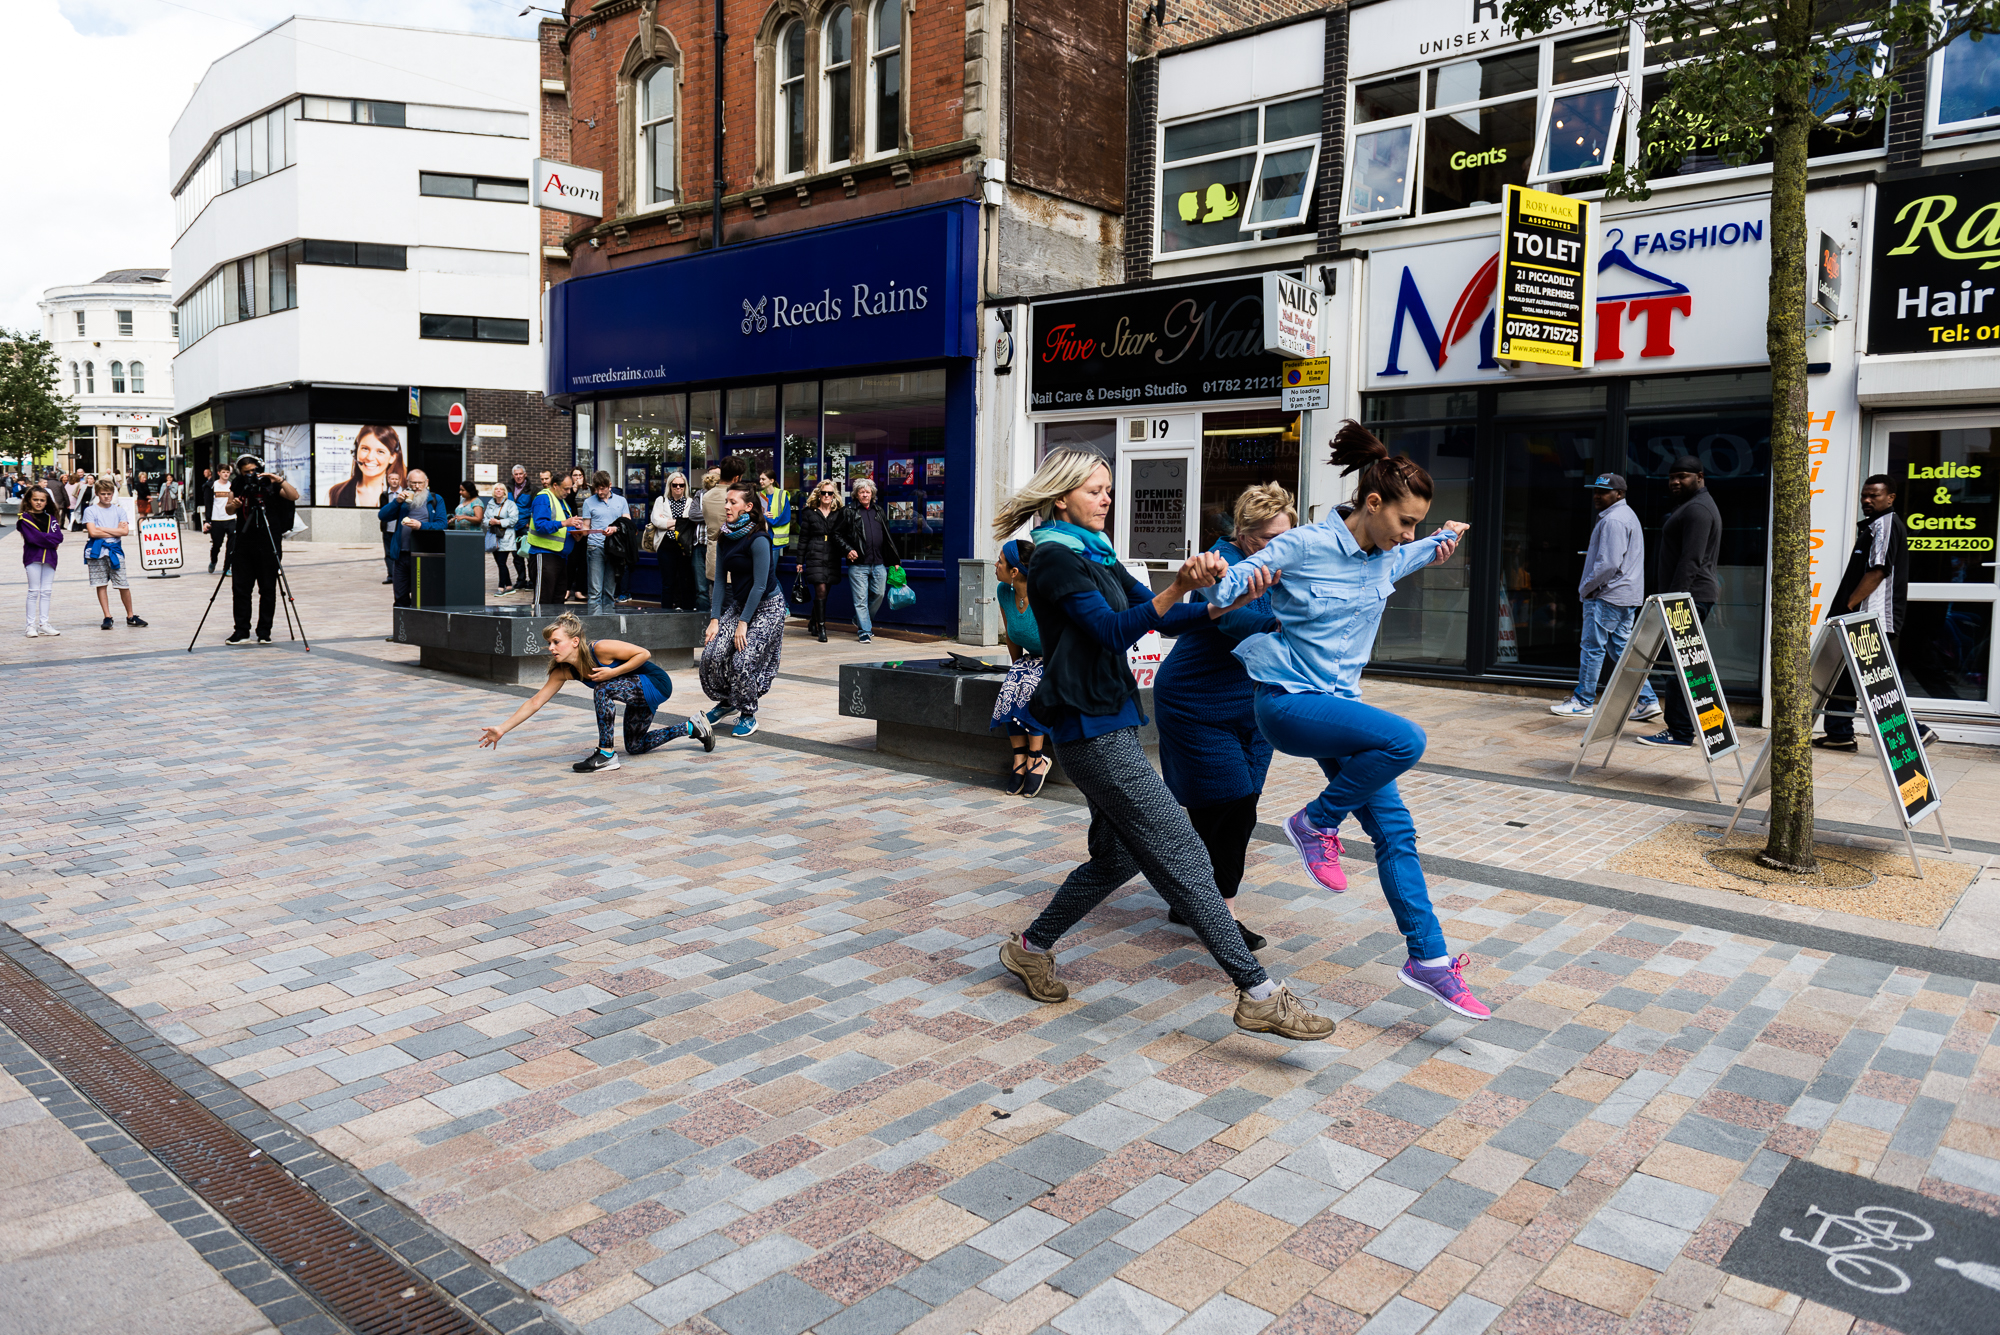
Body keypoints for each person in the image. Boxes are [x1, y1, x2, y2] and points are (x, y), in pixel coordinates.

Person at [991, 448, 1330, 1041]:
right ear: (1061, 496)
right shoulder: (1052, 559)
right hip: (1088, 728)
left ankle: (1030, 947)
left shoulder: (1095, 552)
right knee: (1183, 849)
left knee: (1120, 856)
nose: (1106, 498)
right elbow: (1111, 629)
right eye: (1095, 490)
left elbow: (1164, 623)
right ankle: (1258, 993)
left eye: (1109, 490)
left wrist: (1226, 599)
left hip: (1110, 717)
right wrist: (1176, 586)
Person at [1201, 423, 1488, 1020]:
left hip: (1339, 708)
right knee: (1406, 738)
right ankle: (1314, 823)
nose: (1405, 533)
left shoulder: (1387, 553)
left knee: (1396, 833)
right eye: (1404, 521)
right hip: (1286, 704)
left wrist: (1440, 539)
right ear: (1373, 503)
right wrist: (1232, 584)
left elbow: (1413, 554)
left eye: (1416, 524)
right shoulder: (1302, 545)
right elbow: (1217, 596)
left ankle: (1429, 961)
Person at [1154, 482, 1293, 953]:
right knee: (1232, 804)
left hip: (1250, 707)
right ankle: (1221, 917)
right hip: (1196, 701)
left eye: (1284, 539)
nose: (1275, 550)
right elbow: (1232, 621)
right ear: (1242, 533)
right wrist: (1292, 624)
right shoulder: (1220, 564)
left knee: (1233, 805)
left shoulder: (1285, 562)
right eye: (1266, 541)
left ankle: (1190, 898)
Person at [477, 612, 715, 772]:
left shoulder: (600, 649)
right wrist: (502, 728)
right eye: (549, 643)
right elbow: (535, 702)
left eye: (555, 642)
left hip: (655, 683)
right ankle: (693, 726)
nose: (550, 648)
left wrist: (612, 673)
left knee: (602, 688)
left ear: (574, 641)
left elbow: (643, 654)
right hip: (634, 693)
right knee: (636, 745)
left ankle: (607, 753)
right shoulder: (563, 671)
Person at [1816, 474, 1938, 752]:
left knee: (1875, 681)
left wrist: (1848, 607)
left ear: (1890, 498)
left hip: (1869, 619)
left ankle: (1916, 731)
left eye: (1874, 495)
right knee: (1843, 675)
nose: (1867, 500)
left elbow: (1878, 571)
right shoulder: (1874, 526)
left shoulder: (1885, 525)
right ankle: (1839, 733)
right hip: (1861, 617)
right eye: (1864, 495)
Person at [1550, 472, 1661, 723]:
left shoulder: (1613, 521)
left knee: (1592, 648)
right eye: (1596, 491)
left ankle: (1583, 701)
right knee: (1622, 650)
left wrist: (1586, 587)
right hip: (1626, 596)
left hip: (1607, 596)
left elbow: (1608, 563)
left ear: (1619, 494)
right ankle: (1647, 700)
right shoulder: (1627, 515)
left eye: (1604, 492)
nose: (1597, 496)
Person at [1635, 455, 1725, 749]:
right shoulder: (1692, 506)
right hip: (1690, 595)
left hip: (1689, 597)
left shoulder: (1698, 509)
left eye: (1683, 476)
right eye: (1672, 477)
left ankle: (1680, 731)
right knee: (1681, 663)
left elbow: (1691, 559)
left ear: (1700, 477)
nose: (1675, 481)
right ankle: (1682, 728)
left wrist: (1673, 600)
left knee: (1679, 665)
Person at [699, 481, 786, 738]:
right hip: (740, 605)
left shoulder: (759, 538)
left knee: (742, 658)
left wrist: (743, 622)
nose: (726, 506)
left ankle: (747, 713)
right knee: (712, 654)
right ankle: (728, 701)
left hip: (767, 606)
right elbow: (717, 582)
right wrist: (714, 619)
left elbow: (760, 585)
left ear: (748, 507)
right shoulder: (724, 536)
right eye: (726, 501)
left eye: (732, 502)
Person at [990, 538, 1050, 796]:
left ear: (1014, 572)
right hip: (1034, 656)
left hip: (1061, 657)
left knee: (1032, 684)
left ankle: (1037, 758)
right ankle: (1019, 759)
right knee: (1013, 682)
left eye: (1000, 561)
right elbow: (1012, 636)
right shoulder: (1005, 592)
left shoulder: (1045, 595)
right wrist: (1017, 668)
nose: (995, 564)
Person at [225, 455, 301, 645]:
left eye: (254, 470)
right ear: (240, 473)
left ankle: (264, 631)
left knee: (268, 589)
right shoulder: (238, 484)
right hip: (244, 541)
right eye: (246, 472)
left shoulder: (270, 483)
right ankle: (241, 631)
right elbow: (228, 509)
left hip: (269, 542)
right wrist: (232, 506)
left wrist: (279, 480)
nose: (251, 475)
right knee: (241, 589)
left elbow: (294, 496)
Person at [838, 478, 903, 644]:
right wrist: (848, 550)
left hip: (879, 563)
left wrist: (894, 560)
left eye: (867, 492)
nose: (865, 494)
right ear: (856, 494)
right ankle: (865, 631)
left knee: (879, 594)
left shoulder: (879, 511)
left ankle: (859, 619)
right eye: (861, 492)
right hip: (858, 564)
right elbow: (837, 534)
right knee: (860, 600)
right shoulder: (849, 511)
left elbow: (887, 537)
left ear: (872, 494)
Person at [378, 469, 450, 609]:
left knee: (422, 596)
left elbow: (442, 524)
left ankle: (420, 626)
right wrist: (397, 502)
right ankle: (403, 628)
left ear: (426, 482)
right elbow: (383, 516)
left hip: (425, 555)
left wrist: (421, 526)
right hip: (402, 555)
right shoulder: (403, 499)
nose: (416, 486)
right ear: (408, 483)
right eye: (413, 483)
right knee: (400, 597)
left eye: (420, 483)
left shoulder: (435, 499)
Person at [82, 479, 147, 631]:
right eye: (103, 494)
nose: (106, 497)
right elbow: (93, 532)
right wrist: (113, 530)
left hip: (115, 550)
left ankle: (130, 615)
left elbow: (124, 531)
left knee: (123, 583)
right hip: (96, 551)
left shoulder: (119, 510)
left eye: (109, 494)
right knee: (101, 583)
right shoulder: (90, 510)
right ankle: (107, 616)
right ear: (97, 494)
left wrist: (101, 529)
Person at [525, 469, 586, 605]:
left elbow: (562, 526)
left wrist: (575, 533)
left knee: (558, 600)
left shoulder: (561, 501)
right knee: (544, 600)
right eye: (566, 489)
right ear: (555, 485)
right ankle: (541, 625)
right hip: (545, 555)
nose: (569, 492)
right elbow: (540, 525)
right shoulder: (543, 498)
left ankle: (555, 626)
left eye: (570, 489)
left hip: (560, 556)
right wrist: (565, 523)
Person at [797, 481, 844, 641]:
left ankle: (812, 621)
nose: (826, 496)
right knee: (821, 589)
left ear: (834, 495)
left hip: (832, 553)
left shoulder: (839, 512)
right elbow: (803, 538)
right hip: (814, 552)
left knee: (825, 591)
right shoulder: (810, 512)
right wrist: (799, 561)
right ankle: (821, 627)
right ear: (819, 494)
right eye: (823, 493)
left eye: (829, 493)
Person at [649, 473, 700, 610]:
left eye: (681, 485)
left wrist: (668, 522)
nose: (678, 487)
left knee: (685, 581)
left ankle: (687, 611)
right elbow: (656, 521)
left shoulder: (690, 502)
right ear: (669, 486)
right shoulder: (662, 500)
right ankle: (665, 612)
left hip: (684, 547)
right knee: (668, 583)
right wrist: (680, 523)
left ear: (685, 486)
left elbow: (690, 523)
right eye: (675, 485)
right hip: (666, 546)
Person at [18, 484, 64, 637]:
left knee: (46, 591)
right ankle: (30, 625)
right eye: (35, 499)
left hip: (50, 558)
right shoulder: (24, 518)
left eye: (42, 500)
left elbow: (59, 537)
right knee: (33, 591)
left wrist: (46, 539)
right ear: (29, 500)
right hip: (33, 557)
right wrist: (50, 540)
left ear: (47, 502)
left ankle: (44, 623)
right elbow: (32, 538)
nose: (38, 502)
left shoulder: (51, 518)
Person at [580, 471, 629, 606]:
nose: (599, 492)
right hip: (595, 547)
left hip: (614, 548)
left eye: (602, 488)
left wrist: (615, 528)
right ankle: (595, 623)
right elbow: (586, 527)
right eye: (597, 489)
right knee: (595, 591)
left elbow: (627, 523)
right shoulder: (589, 502)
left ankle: (608, 623)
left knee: (609, 591)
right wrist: (578, 531)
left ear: (610, 485)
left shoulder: (621, 501)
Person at [328, 424, 406, 509]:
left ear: (392, 457)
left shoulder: (405, 491)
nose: (370, 457)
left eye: (380, 451)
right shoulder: (335, 493)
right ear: (355, 451)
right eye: (365, 448)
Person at [691, 466, 722, 607]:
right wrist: (712, 514)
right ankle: (701, 621)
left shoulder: (725, 494)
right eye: (711, 475)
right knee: (701, 588)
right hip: (700, 545)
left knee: (718, 586)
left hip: (717, 545)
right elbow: (692, 515)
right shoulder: (700, 494)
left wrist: (704, 515)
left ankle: (718, 620)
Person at [505, 464, 534, 591]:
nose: (518, 476)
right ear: (513, 475)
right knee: (516, 556)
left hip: (524, 526)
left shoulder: (532, 489)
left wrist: (529, 522)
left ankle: (532, 581)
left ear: (525, 474)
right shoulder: (508, 488)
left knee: (528, 553)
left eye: (520, 474)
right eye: (516, 474)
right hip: (512, 527)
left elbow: (535, 508)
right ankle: (521, 580)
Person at [486, 483, 520, 592]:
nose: (498, 491)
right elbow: (485, 519)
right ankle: (509, 585)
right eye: (496, 489)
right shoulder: (490, 504)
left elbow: (514, 520)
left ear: (504, 492)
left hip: (506, 537)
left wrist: (499, 522)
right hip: (494, 537)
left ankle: (501, 587)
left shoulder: (510, 504)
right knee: (500, 563)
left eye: (501, 489)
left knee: (501, 562)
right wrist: (490, 522)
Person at [565, 466, 592, 602]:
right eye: (575, 475)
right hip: (573, 528)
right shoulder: (569, 489)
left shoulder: (590, 489)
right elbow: (567, 504)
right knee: (571, 560)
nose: (578, 477)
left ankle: (579, 590)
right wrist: (574, 488)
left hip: (586, 528)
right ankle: (567, 589)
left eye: (580, 475)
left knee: (583, 561)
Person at [204, 468, 235, 574]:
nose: (226, 474)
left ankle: (227, 567)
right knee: (217, 544)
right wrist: (207, 521)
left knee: (232, 544)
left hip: (231, 518)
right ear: (219, 473)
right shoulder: (212, 486)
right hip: (216, 519)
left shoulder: (232, 486)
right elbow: (208, 504)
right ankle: (213, 561)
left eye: (227, 472)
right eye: (223, 472)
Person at [759, 468, 793, 554]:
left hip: (776, 541)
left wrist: (766, 519)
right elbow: (753, 515)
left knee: (772, 567)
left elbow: (785, 517)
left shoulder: (782, 495)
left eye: (763, 479)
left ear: (771, 481)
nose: (760, 481)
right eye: (760, 479)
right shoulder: (758, 495)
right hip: (761, 538)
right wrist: (763, 516)